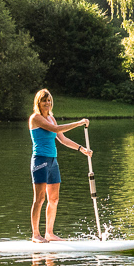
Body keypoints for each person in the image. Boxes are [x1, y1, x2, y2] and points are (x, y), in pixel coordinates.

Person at [27, 88, 91, 242]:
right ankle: (36, 235)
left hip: (53, 161)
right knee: (39, 199)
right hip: (40, 161)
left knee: (54, 199)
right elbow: (55, 130)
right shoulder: (35, 118)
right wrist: (79, 123)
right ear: (39, 102)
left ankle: (49, 233)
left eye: (49, 100)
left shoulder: (51, 118)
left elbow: (62, 139)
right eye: (44, 100)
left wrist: (81, 149)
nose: (47, 103)